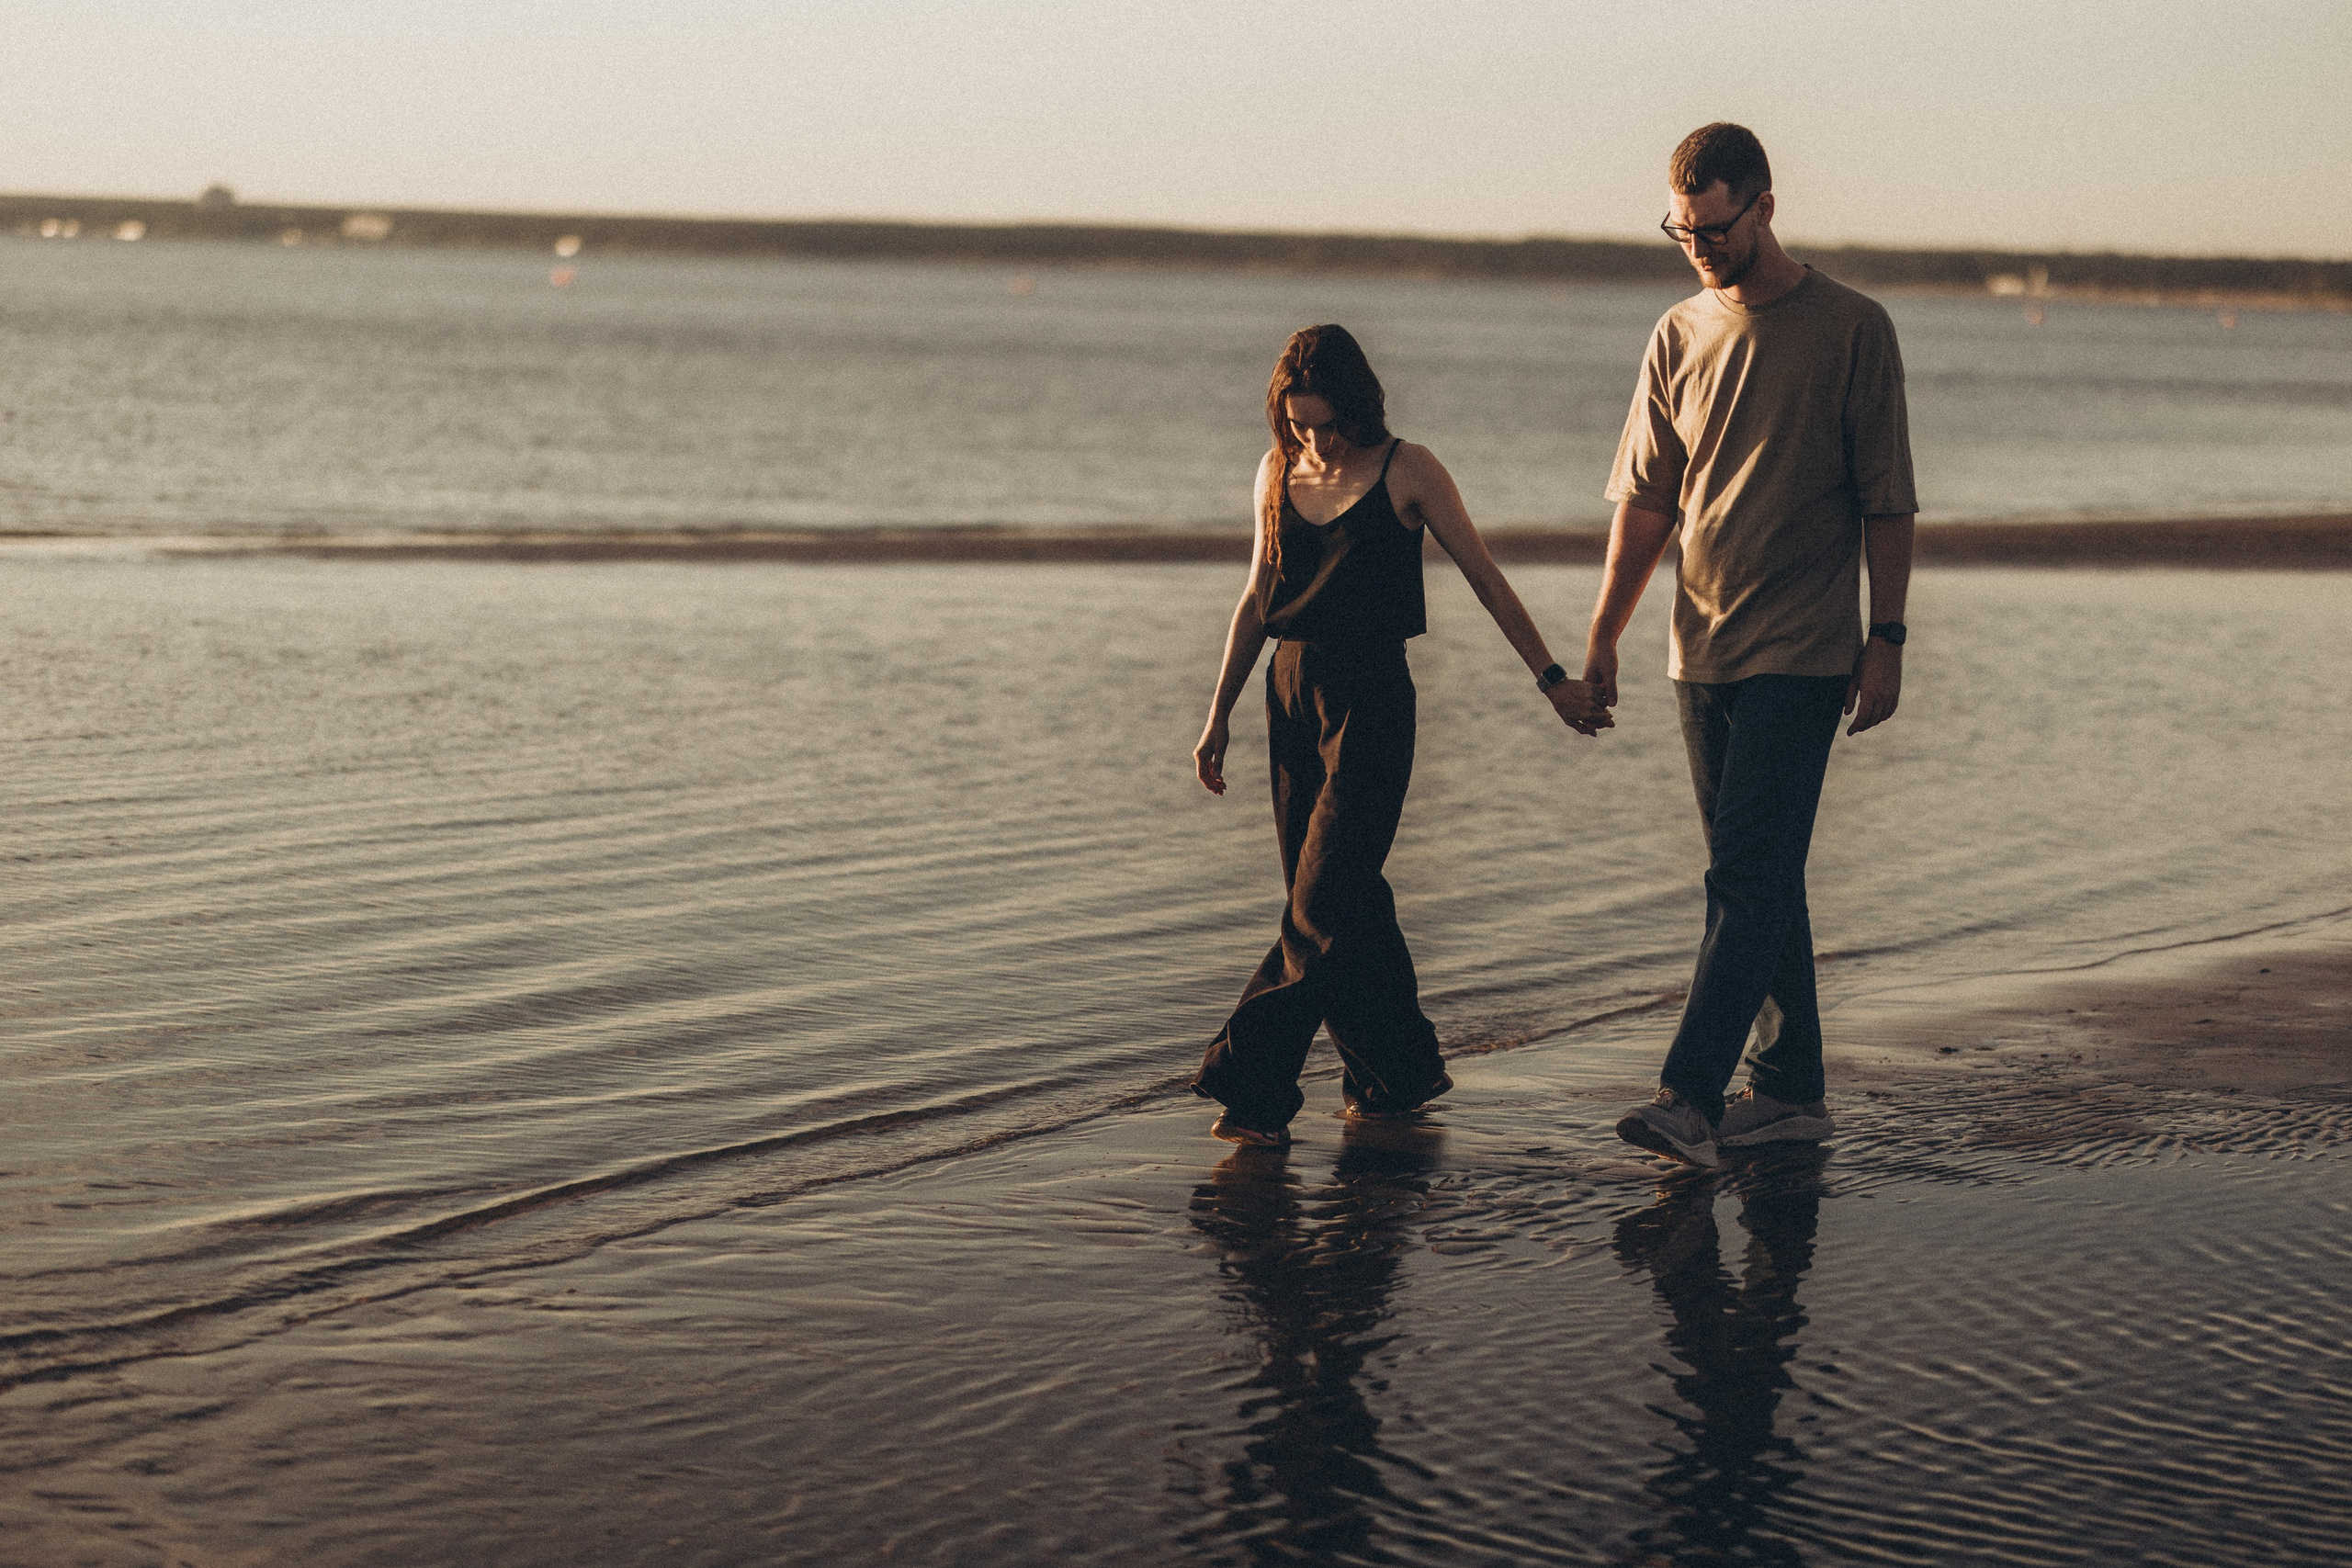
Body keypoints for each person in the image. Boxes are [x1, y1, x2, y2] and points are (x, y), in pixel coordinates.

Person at [1585, 123, 1917, 1168]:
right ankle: (1790, 1088)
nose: (1698, 249)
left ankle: (1690, 1095)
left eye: (1714, 229)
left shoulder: (1852, 328)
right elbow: (1645, 501)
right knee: (1764, 876)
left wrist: (1887, 638)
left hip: (1806, 649)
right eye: (1681, 232)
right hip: (1700, 650)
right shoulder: (1677, 332)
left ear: (1764, 207)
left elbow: (1888, 500)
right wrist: (1604, 632)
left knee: (1742, 878)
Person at [1191, 323, 1609, 1146]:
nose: (1313, 437)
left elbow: (1485, 579)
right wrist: (1217, 717)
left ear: (1356, 401)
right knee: (1346, 901)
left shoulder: (1407, 469)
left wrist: (1552, 679)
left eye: (1325, 421)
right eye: (1298, 421)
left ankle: (1251, 1085)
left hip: (1373, 699)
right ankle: (1396, 1074)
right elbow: (1254, 598)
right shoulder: (1276, 472)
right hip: (1289, 692)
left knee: (1320, 903)